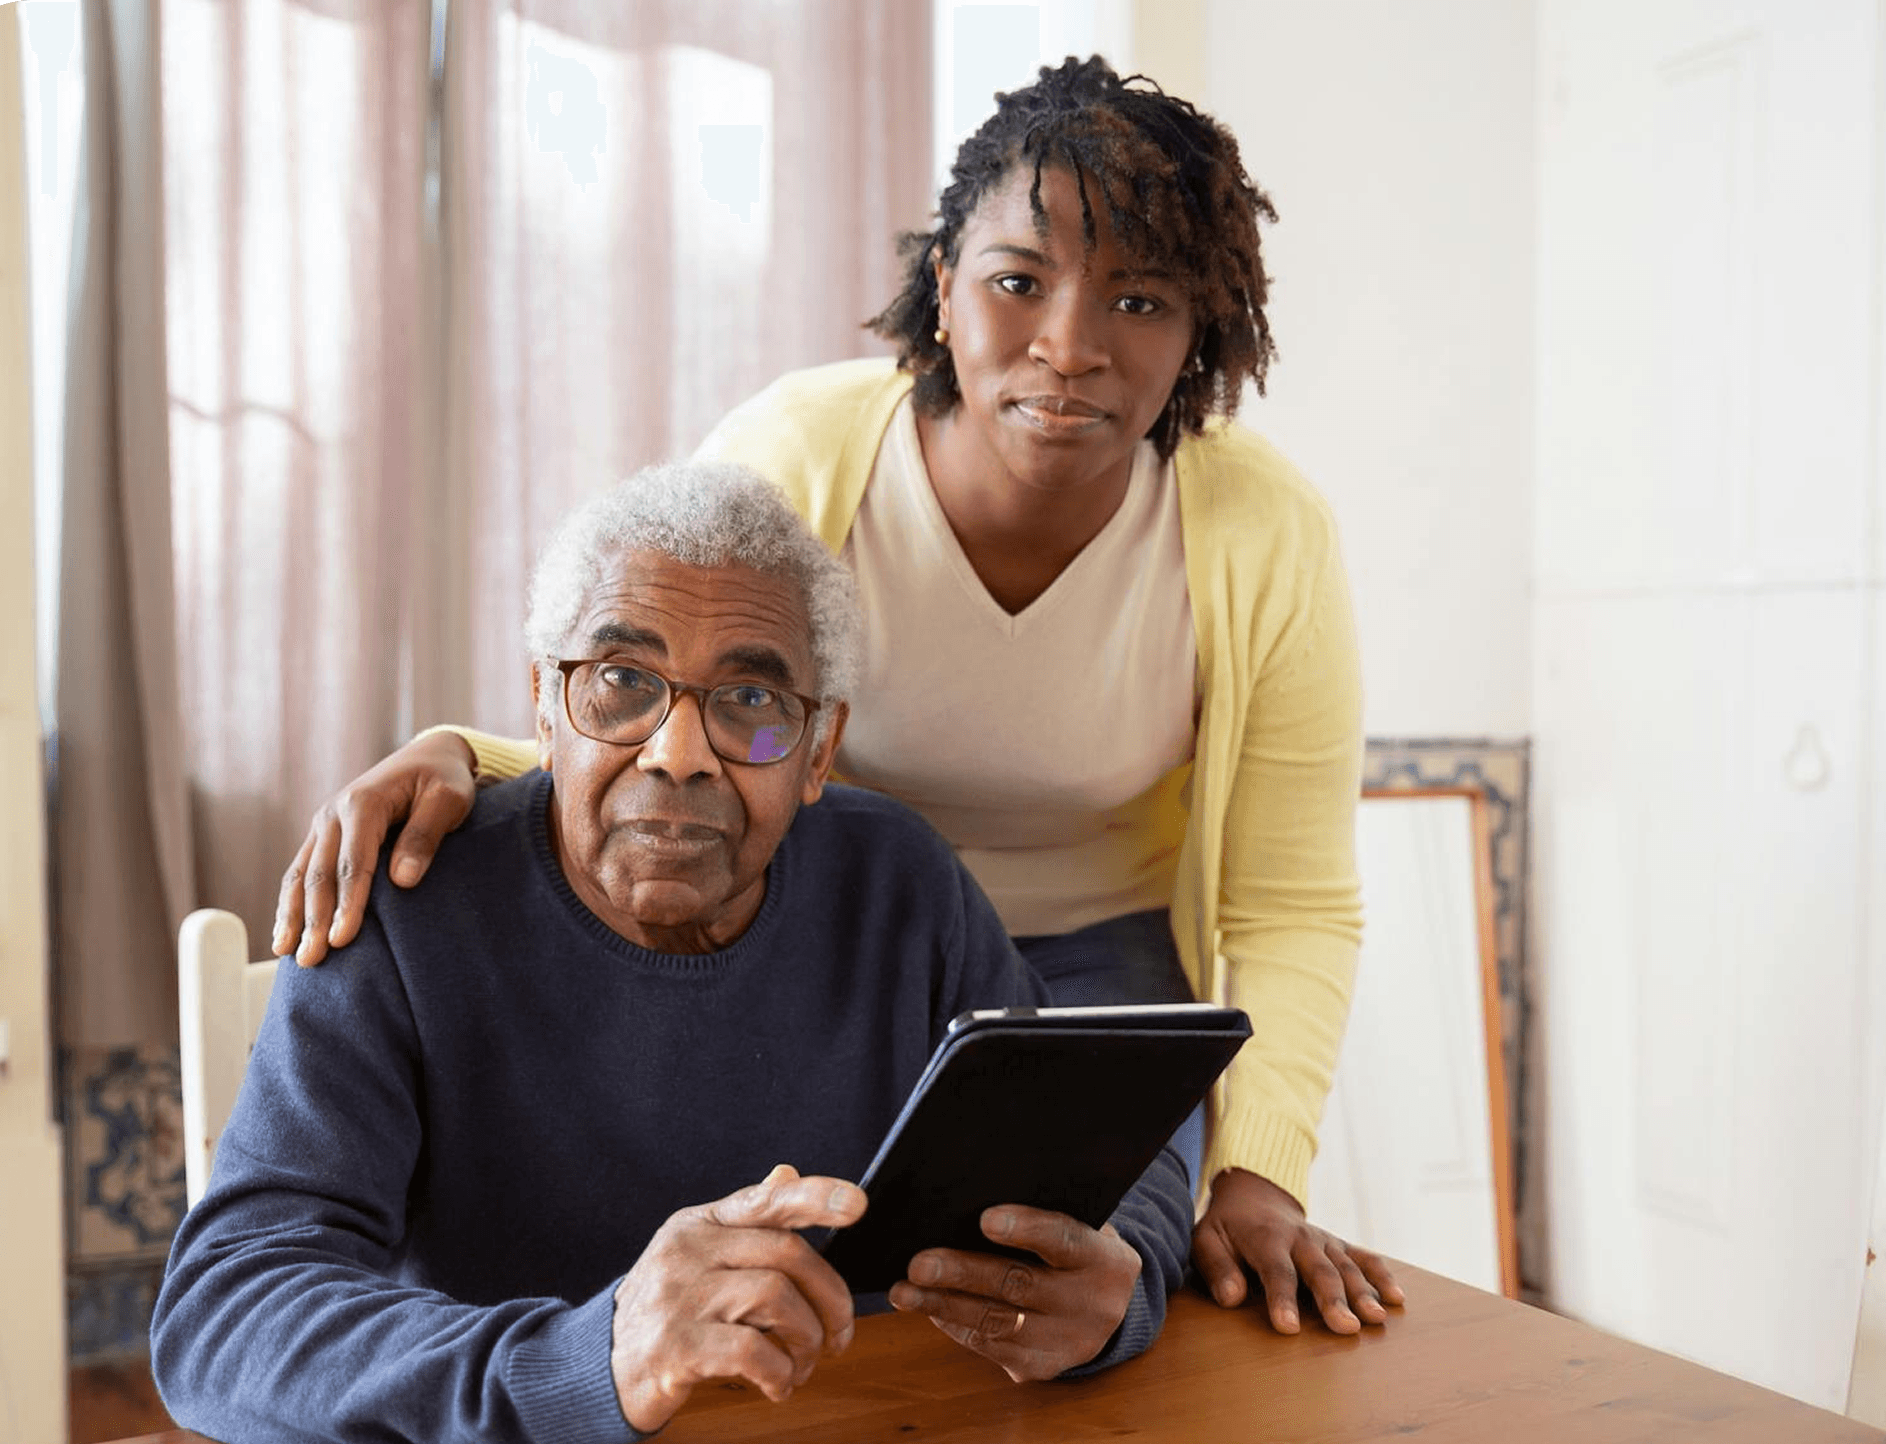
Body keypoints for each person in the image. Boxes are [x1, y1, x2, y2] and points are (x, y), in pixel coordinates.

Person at [271, 56, 1403, 1338]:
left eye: (1139, 299)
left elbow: (1293, 901)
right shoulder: (807, 453)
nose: (1071, 346)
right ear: (945, 285)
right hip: (848, 941)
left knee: (1087, 1313)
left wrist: (1254, 1178)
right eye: (1018, 281)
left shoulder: (1266, 533)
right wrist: (463, 752)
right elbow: (663, 683)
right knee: (836, 1291)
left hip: (1103, 976)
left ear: (1202, 326)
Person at [151, 462, 1191, 1444]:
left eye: (750, 701)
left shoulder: (901, 885)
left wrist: (1118, 1293)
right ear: (545, 710)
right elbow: (227, 1314)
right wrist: (591, 1358)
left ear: (820, 750)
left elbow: (1116, 1160)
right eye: (621, 683)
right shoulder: (402, 905)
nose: (678, 751)